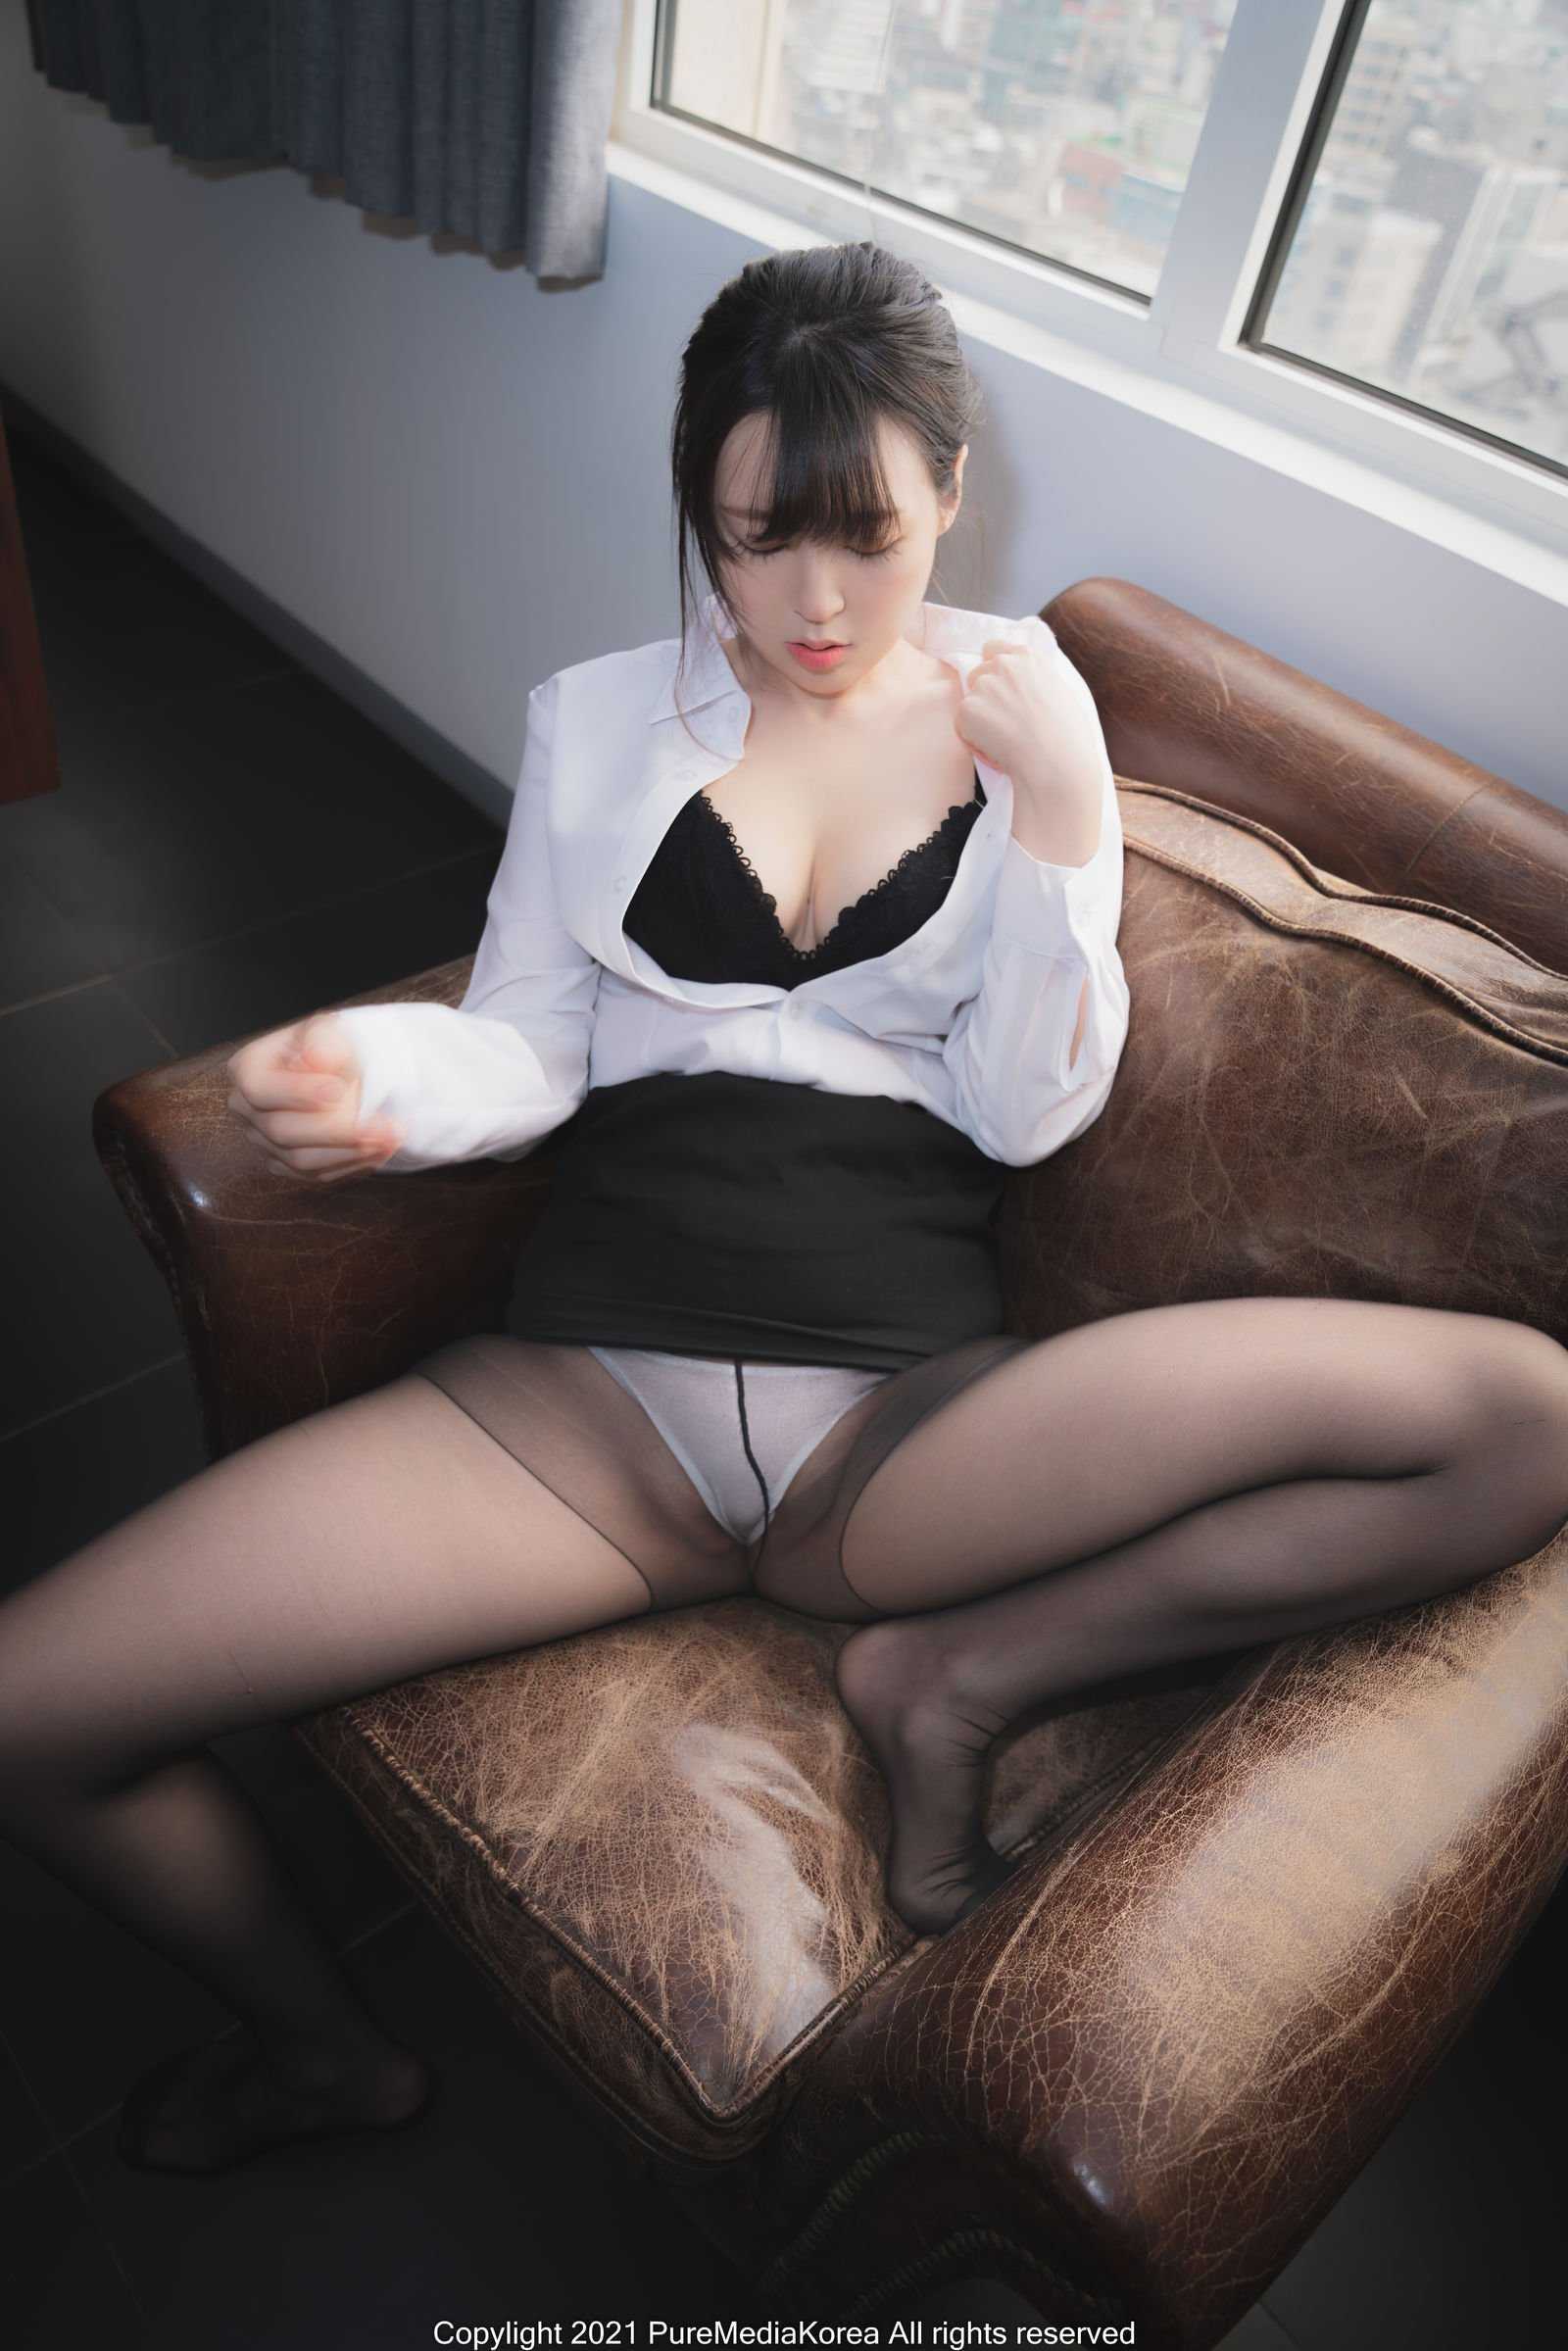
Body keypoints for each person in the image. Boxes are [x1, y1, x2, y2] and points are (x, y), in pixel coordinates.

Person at [5, 242, 1568, 2181]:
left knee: (1519, 1416)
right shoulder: (599, 724)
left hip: (901, 1441)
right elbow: (524, 1045)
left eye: (868, 538)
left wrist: (1063, 820)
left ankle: (965, 1678)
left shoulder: (1027, 718)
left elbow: (1024, 1109)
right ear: (700, 511)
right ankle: (325, 2055)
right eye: (756, 542)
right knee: (30, 1709)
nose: (813, 603)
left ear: (948, 495)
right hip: (580, 1424)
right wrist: (380, 1081)